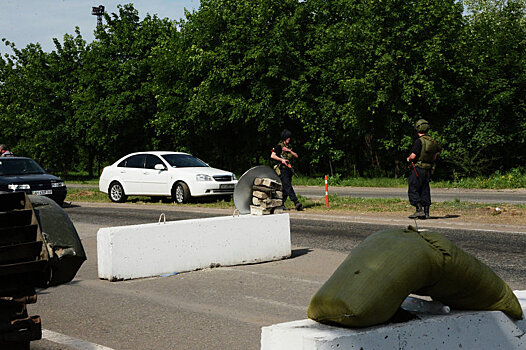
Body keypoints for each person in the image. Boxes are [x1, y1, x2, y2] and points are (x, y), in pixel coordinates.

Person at [406, 119, 441, 219]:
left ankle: (418, 209)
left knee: (413, 188)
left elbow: (413, 156)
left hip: (417, 168)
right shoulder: (432, 142)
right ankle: (426, 212)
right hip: (428, 169)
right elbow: (435, 156)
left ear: (417, 128)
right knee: (425, 189)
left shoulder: (419, 141)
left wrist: (408, 159)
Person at [271, 129, 303, 211]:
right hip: (282, 169)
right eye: (288, 138)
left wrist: (289, 150)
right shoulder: (279, 146)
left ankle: (280, 204)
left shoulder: (290, 147)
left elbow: (296, 156)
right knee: (288, 186)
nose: (289, 139)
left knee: (285, 188)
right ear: (285, 138)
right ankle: (296, 202)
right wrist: (282, 160)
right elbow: (272, 155)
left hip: (289, 169)